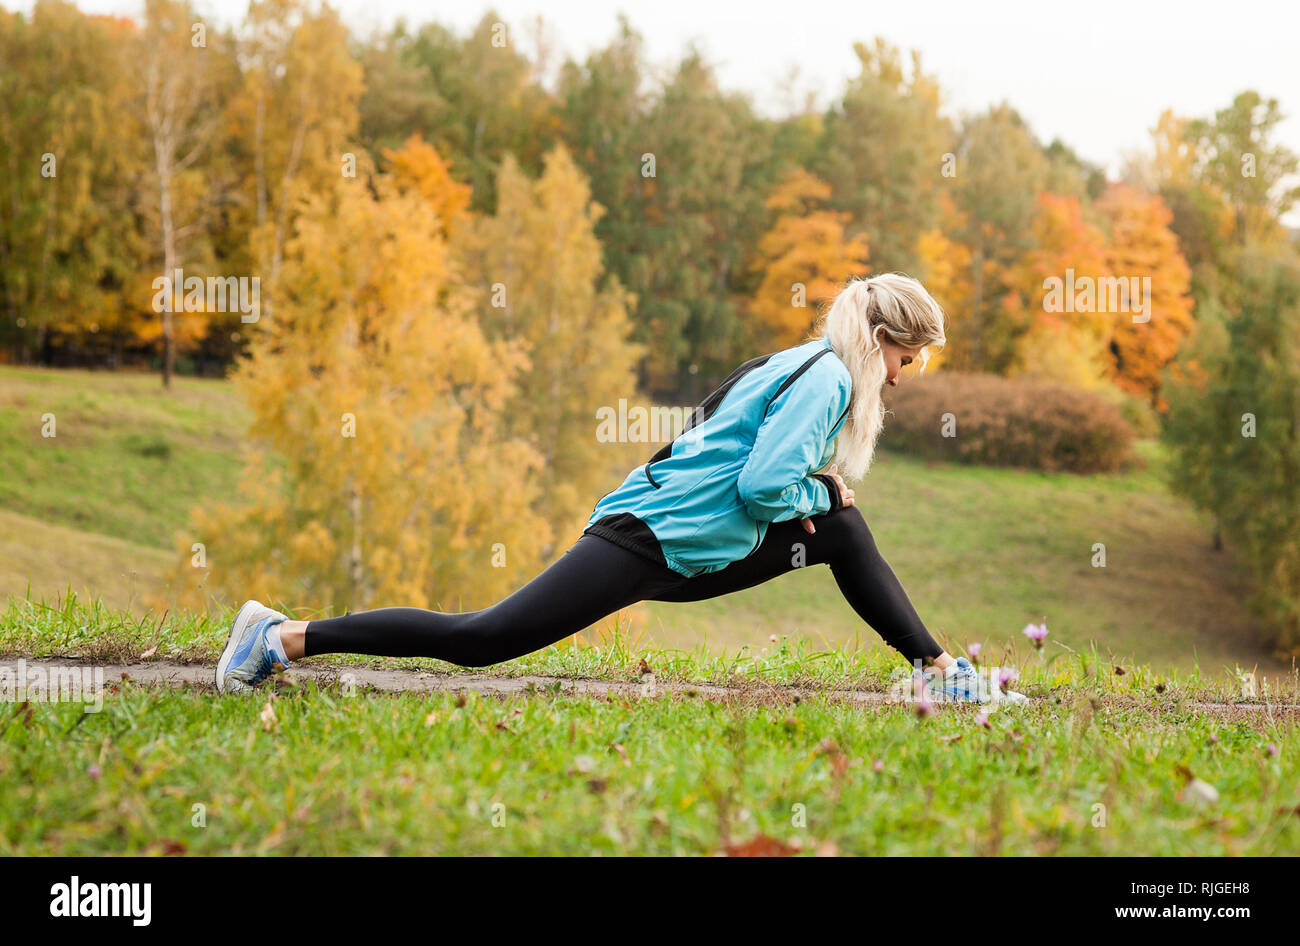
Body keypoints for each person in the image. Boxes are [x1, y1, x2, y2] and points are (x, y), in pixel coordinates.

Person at [216, 273, 1027, 704]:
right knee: (482, 639)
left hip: (688, 540)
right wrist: (816, 493)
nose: (903, 377)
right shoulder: (829, 383)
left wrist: (818, 497)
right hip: (651, 539)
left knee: (845, 532)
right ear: (884, 340)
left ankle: (936, 670)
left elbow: (729, 437)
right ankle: (283, 637)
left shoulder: (801, 361)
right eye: (905, 360)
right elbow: (760, 485)